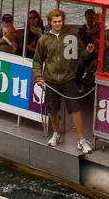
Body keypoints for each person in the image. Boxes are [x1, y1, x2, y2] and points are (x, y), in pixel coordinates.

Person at [33, 8, 95, 154]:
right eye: (55, 22)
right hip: (51, 80)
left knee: (75, 109)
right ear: (50, 22)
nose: (58, 24)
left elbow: (81, 55)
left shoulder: (72, 36)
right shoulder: (44, 40)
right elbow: (37, 61)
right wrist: (39, 77)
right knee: (52, 109)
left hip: (69, 79)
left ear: (63, 21)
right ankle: (56, 133)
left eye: (60, 21)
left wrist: (89, 51)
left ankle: (81, 140)